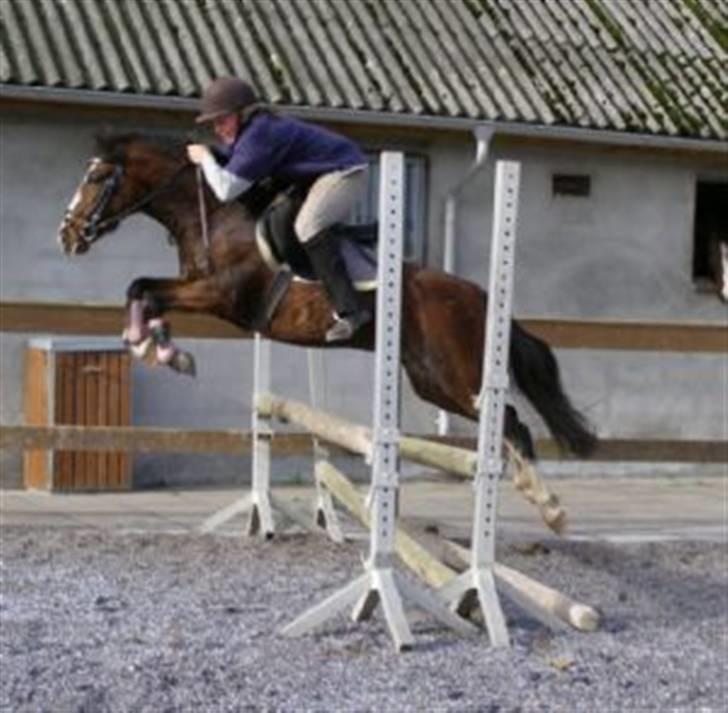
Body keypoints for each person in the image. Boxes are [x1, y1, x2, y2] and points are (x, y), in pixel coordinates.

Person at [186, 77, 372, 342]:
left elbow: (226, 190)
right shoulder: (252, 132)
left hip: (345, 171)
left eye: (222, 120)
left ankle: (351, 311)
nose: (217, 128)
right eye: (213, 123)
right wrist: (211, 156)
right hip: (317, 175)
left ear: (243, 114)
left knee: (307, 226)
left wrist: (205, 158)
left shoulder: (260, 134)